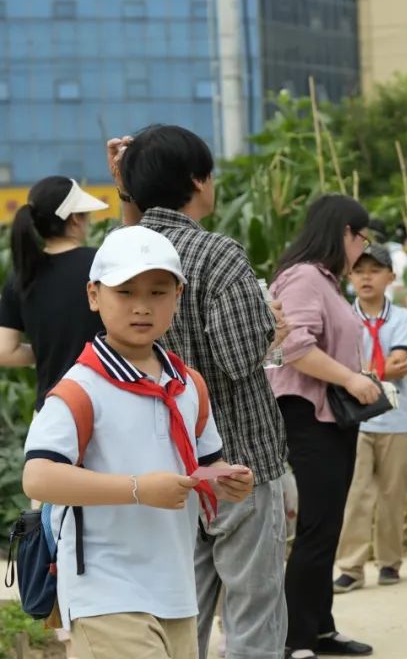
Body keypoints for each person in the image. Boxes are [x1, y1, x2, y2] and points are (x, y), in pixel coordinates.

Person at [23, 225, 254, 659]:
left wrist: (225, 479)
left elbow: (201, 467)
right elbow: (38, 477)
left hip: (176, 587)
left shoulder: (188, 385)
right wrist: (136, 489)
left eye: (157, 292)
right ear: (94, 296)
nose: (142, 307)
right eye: (125, 292)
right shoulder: (81, 389)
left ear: (178, 297)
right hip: (104, 592)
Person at [114, 125, 290, 659]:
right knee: (253, 612)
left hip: (165, 465)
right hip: (239, 459)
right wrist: (269, 327)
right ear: (198, 181)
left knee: (180, 612)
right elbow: (238, 360)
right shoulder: (218, 254)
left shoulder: (120, 256)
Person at [268, 195, 379, 659]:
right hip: (309, 416)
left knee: (328, 525)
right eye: (362, 237)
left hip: (333, 418)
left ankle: (321, 628)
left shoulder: (328, 282)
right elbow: (294, 344)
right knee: (316, 527)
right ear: (344, 233)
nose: (363, 247)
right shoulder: (304, 278)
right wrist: (352, 378)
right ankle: (295, 639)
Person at [336, 244, 407, 590]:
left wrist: (367, 370)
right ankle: (351, 567)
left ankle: (390, 562)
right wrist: (379, 371)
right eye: (359, 271)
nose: (366, 277)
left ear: (390, 277)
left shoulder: (401, 317)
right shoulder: (343, 316)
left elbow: (399, 363)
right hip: (356, 417)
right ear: (350, 277)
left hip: (396, 416)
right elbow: (388, 368)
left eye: (374, 270)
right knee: (355, 494)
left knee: (392, 493)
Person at [0, 176, 107, 408]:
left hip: (51, 410)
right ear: (77, 219)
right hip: (101, 407)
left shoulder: (21, 275)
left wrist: (48, 349)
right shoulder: (100, 264)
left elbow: (5, 351)